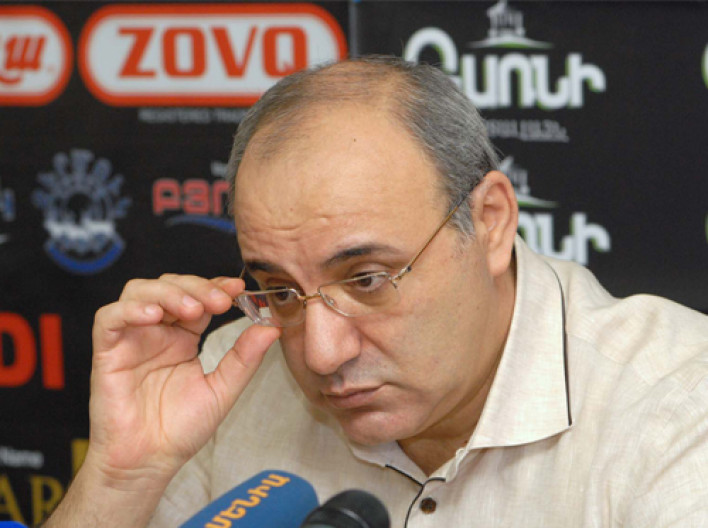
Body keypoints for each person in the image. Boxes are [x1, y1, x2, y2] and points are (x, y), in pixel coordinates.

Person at [44, 56, 707, 527]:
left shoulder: (677, 410)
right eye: (280, 291)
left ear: (490, 223)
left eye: (366, 280)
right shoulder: (227, 378)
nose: (322, 352)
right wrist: (122, 476)